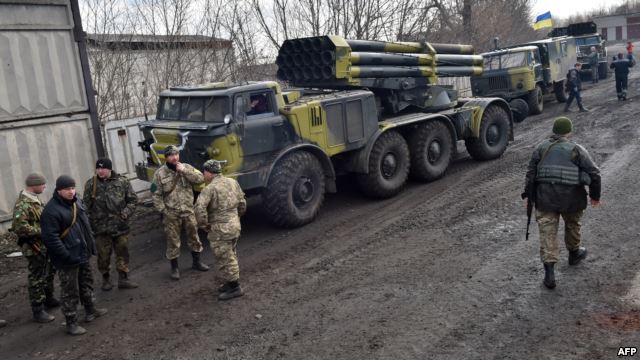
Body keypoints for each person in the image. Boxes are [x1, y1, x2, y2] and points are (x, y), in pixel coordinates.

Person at [522, 117, 601, 289]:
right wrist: (595, 196)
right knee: (573, 224)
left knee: (547, 233)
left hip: (545, 199)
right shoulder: (576, 150)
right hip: (572, 199)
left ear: (554, 131)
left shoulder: (540, 148)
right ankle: (574, 253)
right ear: (569, 132)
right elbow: (595, 173)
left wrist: (529, 196)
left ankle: (549, 274)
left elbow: (530, 174)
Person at [41, 175, 107, 335]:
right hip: (67, 259)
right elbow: (51, 238)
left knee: (86, 282)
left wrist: (91, 245)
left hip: (82, 252)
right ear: (58, 190)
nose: (71, 192)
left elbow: (85, 224)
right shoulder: (51, 211)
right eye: (67, 189)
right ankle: (71, 322)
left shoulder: (77, 201)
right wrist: (66, 256)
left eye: (72, 188)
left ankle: (90, 310)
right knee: (70, 290)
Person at [151, 145, 208, 280]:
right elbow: (155, 194)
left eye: (176, 154)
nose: (175, 157)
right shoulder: (159, 174)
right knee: (173, 241)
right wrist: (163, 210)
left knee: (194, 236)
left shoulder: (186, 167)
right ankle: (175, 268)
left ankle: (196, 262)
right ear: (166, 158)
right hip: (171, 213)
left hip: (188, 210)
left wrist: (184, 171)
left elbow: (200, 179)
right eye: (171, 155)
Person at [83, 158, 138, 291]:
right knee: (103, 255)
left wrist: (125, 213)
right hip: (101, 228)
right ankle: (106, 279)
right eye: (98, 168)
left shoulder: (122, 182)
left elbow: (132, 200)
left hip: (120, 226)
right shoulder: (91, 184)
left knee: (122, 251)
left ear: (110, 169)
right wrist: (90, 223)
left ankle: (123, 278)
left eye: (103, 168)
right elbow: (86, 206)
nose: (100, 171)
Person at [195, 160, 247, 300]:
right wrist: (236, 218)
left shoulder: (209, 189)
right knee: (231, 254)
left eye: (204, 171)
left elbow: (199, 209)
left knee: (225, 258)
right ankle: (230, 283)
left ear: (208, 172)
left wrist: (204, 225)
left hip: (220, 229)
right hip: (234, 225)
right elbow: (242, 203)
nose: (204, 174)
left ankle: (235, 287)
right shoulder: (232, 182)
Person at [12, 173, 59, 323]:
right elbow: (20, 228)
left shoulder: (35, 200)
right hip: (34, 247)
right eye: (42, 184)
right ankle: (38, 309)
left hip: (44, 245)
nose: (45, 186)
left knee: (49, 272)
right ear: (34, 185)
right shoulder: (22, 204)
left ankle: (48, 298)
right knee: (37, 278)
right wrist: (44, 231)